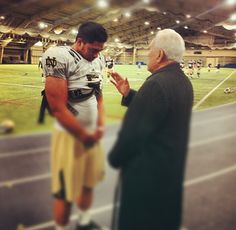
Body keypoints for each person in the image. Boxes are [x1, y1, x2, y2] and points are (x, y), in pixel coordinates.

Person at [108, 29, 193, 230]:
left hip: (147, 182)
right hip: (169, 176)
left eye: (150, 49)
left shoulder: (155, 84)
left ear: (160, 54)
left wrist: (116, 158)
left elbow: (132, 135)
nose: (147, 53)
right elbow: (161, 110)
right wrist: (129, 95)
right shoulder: (182, 82)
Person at [41, 21, 108, 230]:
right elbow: (58, 108)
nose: (97, 54)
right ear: (80, 42)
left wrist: (100, 126)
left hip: (90, 136)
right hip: (70, 137)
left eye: (100, 50)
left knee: (88, 183)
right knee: (65, 191)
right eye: (93, 49)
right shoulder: (59, 57)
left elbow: (99, 97)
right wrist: (83, 135)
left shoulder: (98, 60)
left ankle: (85, 222)